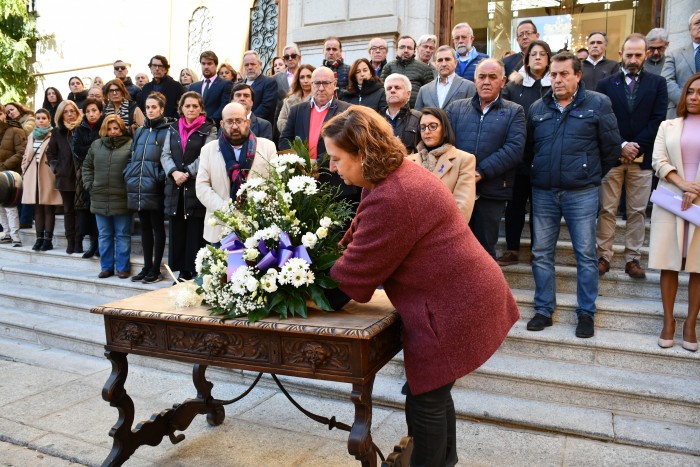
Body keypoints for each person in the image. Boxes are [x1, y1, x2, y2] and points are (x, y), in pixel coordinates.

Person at [324, 106, 519, 467]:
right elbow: (355, 239)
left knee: (426, 396)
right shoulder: (387, 177)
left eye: (337, 159)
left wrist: (297, 290)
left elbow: (349, 283)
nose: (333, 167)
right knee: (431, 392)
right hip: (459, 295)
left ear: (362, 155)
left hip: (456, 304)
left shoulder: (393, 194)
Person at [525, 52, 620, 338]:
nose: (557, 79)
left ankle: (586, 313)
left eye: (564, 74)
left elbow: (611, 148)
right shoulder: (537, 108)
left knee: (586, 255)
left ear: (578, 75)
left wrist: (588, 174)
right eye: (553, 74)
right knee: (541, 253)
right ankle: (543, 309)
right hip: (543, 192)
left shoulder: (597, 104)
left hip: (582, 193)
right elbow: (530, 149)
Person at [595, 33, 668, 280]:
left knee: (637, 211)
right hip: (613, 157)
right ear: (620, 56)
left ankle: (633, 259)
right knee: (607, 209)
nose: (634, 59)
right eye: (629, 55)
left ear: (646, 55)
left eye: (638, 55)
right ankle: (604, 256)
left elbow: (658, 120)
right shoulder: (606, 85)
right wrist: (622, 145)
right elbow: (604, 120)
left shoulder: (658, 84)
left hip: (643, 158)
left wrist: (636, 146)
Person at [446, 58, 526, 259]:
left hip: (492, 191)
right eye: (481, 77)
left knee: (484, 253)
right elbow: (445, 144)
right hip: (457, 190)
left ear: (503, 81)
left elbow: (514, 149)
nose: (486, 82)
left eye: (492, 77)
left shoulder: (514, 111)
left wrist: (481, 172)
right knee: (453, 249)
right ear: (474, 79)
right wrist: (462, 173)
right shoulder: (456, 108)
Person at [649, 72, 700, 352]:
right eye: (691, 92)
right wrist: (683, 185)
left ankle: (690, 324)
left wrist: (696, 190)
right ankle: (668, 322)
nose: (694, 97)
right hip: (671, 200)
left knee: (698, 266)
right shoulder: (668, 125)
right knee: (669, 262)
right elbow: (658, 160)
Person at [498, 40, 552, 266]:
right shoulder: (513, 87)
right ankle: (512, 249)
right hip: (518, 156)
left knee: (540, 208)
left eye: (542, 54)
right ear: (526, 60)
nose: (537, 57)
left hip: (545, 156)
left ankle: (537, 250)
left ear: (549, 58)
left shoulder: (554, 85)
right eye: (533, 54)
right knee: (515, 206)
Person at [279, 67, 357, 210]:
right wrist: (300, 162)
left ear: (334, 85)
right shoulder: (297, 110)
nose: (321, 88)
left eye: (326, 83)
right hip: (302, 182)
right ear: (311, 84)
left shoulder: (347, 111)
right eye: (317, 83)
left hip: (335, 184)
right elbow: (284, 139)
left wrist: (318, 163)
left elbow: (346, 144)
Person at [196, 102, 275, 243]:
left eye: (239, 121)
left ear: (248, 122)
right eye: (229, 122)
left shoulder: (267, 147)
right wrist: (227, 209)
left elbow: (274, 184)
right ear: (221, 124)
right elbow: (202, 187)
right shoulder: (208, 150)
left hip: (257, 228)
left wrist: (252, 210)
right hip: (220, 227)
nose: (234, 126)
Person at [161, 91, 217, 281]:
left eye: (195, 106)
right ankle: (180, 272)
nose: (191, 109)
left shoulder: (209, 129)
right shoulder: (173, 128)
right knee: (177, 229)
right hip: (175, 186)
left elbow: (206, 155)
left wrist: (187, 173)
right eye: (187, 106)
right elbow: (165, 154)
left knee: (194, 229)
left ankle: (194, 270)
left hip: (195, 186)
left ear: (201, 108)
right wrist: (174, 173)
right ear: (181, 108)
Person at [124, 92, 175, 283]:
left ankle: (156, 268)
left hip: (155, 186)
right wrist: (129, 173)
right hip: (138, 185)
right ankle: (146, 267)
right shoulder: (140, 131)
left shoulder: (168, 130)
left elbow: (169, 157)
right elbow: (132, 155)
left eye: (154, 107)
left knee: (157, 227)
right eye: (148, 107)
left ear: (162, 109)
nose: (150, 111)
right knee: (144, 227)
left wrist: (159, 177)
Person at [82, 115, 133, 279]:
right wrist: (90, 185)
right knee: (104, 235)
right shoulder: (96, 145)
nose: (113, 132)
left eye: (116, 128)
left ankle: (123, 268)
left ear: (121, 129)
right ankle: (107, 267)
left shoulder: (130, 145)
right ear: (104, 129)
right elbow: (87, 166)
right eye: (109, 128)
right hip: (99, 197)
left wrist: (128, 187)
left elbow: (134, 167)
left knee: (123, 234)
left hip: (122, 198)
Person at [407, 107, 476, 221]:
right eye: (423, 127)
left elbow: (462, 207)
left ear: (444, 129)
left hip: (445, 231)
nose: (427, 131)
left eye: (433, 126)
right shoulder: (409, 161)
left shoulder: (464, 159)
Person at [21, 109, 61, 251]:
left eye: (44, 118)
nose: (41, 120)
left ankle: (48, 240)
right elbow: (26, 154)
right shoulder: (32, 135)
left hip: (48, 174)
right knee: (37, 208)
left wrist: (54, 169)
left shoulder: (54, 134)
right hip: (32, 175)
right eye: (38, 118)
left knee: (48, 207)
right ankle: (39, 238)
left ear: (49, 120)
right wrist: (24, 168)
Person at [46, 100, 81, 254]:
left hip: (82, 176)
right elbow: (51, 153)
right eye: (66, 112)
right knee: (68, 210)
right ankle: (70, 241)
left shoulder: (82, 128)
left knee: (82, 210)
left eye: (72, 111)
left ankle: (79, 241)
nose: (69, 114)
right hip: (65, 177)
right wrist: (57, 168)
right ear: (61, 115)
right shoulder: (57, 132)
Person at [72, 97, 105, 258]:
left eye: (94, 110)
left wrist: (92, 150)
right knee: (88, 211)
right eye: (88, 111)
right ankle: (93, 244)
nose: (91, 114)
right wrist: (94, 148)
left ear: (100, 111)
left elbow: (105, 146)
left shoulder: (105, 126)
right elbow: (77, 149)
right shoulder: (80, 129)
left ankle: (101, 246)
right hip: (86, 175)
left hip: (103, 174)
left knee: (100, 211)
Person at [661, 9, 700, 119]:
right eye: (697, 23)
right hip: (679, 112)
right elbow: (666, 81)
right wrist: (685, 101)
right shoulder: (674, 55)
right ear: (689, 29)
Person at [415, 45, 476, 110]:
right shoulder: (424, 90)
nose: (444, 64)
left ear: (456, 63)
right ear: (435, 64)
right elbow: (418, 116)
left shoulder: (468, 86)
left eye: (447, 59)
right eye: (440, 60)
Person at [380, 35, 435, 108]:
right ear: (397, 50)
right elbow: (382, 92)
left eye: (409, 48)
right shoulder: (388, 67)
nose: (405, 50)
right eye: (402, 47)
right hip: (392, 111)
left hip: (416, 113)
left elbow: (430, 96)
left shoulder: (425, 68)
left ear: (414, 51)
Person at [0, 105, 27, 247]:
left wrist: (4, 166)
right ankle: (6, 232)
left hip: (9, 174)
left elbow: (21, 152)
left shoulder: (15, 130)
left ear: (5, 114)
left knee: (10, 206)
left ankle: (15, 235)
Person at [189, 50, 234, 125]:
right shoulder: (193, 87)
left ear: (216, 65)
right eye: (203, 64)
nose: (206, 67)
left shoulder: (225, 84)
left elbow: (224, 106)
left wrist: (209, 122)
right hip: (194, 127)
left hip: (214, 127)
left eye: (209, 64)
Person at [382, 73, 421, 154]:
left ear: (408, 94)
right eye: (389, 88)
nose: (392, 90)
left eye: (397, 88)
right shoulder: (376, 119)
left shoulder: (419, 118)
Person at [138, 55, 185, 119]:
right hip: (150, 125)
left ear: (165, 69)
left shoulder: (176, 86)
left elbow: (183, 108)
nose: (157, 69)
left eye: (160, 66)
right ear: (150, 68)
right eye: (154, 66)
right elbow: (142, 109)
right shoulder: (146, 87)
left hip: (169, 125)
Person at [240, 50, 279, 125]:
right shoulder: (238, 85)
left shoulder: (269, 83)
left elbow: (266, 107)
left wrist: (246, 120)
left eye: (253, 64)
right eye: (247, 65)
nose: (250, 67)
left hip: (259, 127)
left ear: (260, 64)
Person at [277, 64, 315, 134]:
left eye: (309, 77)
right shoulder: (289, 100)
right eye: (302, 77)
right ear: (298, 80)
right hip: (291, 140)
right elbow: (281, 121)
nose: (305, 81)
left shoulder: (319, 98)